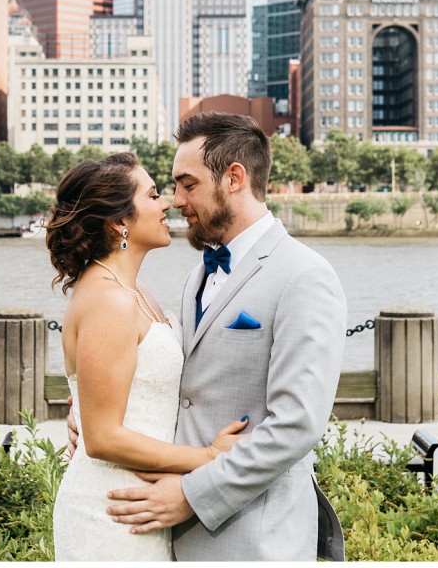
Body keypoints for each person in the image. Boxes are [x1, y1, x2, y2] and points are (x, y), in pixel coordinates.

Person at [73, 113, 348, 561]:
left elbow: (297, 423)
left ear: (234, 178)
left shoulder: (305, 275)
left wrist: (192, 494)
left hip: (254, 539)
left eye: (187, 184)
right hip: (163, 536)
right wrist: (85, 406)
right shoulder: (195, 276)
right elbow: (162, 370)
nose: (177, 200)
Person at [46, 151, 248, 561]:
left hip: (143, 504)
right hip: (112, 511)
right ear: (119, 221)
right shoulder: (109, 300)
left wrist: (79, 408)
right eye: (154, 194)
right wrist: (207, 458)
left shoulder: (135, 292)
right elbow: (102, 438)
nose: (167, 204)